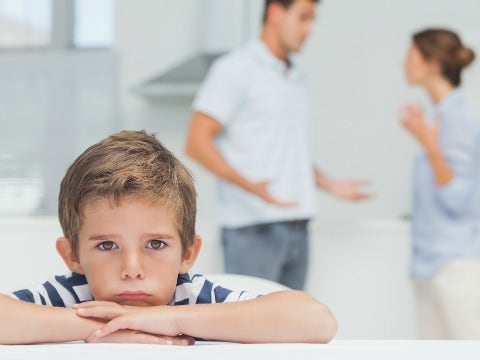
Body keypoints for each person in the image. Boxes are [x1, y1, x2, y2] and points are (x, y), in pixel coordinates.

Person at [0, 130, 337, 345]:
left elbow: (315, 321)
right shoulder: (74, 296)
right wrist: (99, 326)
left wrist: (170, 319)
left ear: (188, 252)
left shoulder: (190, 297)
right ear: (72, 254)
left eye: (156, 244)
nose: (131, 269)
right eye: (107, 245)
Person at [185, 0, 370, 291]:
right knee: (249, 328)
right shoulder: (235, 69)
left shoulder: (296, 76)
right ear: (274, 13)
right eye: (303, 18)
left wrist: (330, 185)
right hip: (253, 227)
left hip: (298, 225)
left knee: (291, 330)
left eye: (312, 20)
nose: (309, 29)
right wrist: (249, 185)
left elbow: (288, 151)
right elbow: (196, 142)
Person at [399, 28, 480, 339]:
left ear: (432, 63)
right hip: (430, 267)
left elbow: (460, 199)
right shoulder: (437, 117)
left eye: (410, 57)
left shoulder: (457, 119)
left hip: (455, 268)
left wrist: (430, 146)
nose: (404, 65)